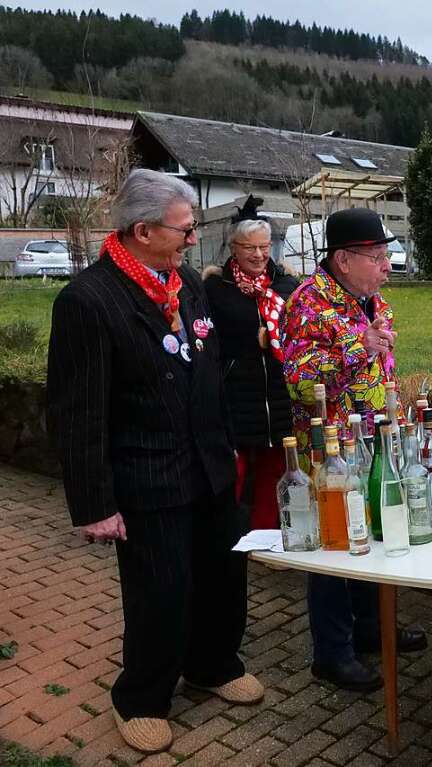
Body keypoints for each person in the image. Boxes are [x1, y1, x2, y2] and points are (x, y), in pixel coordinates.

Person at [46, 169, 262, 754]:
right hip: (148, 475)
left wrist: (231, 452)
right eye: (185, 229)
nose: (194, 240)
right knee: (161, 591)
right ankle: (140, 696)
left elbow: (210, 369)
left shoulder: (186, 282)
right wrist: (94, 505)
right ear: (143, 231)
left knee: (224, 576)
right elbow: (77, 412)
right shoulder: (88, 301)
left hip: (211, 467)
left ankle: (213, 665)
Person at [281, 207, 426, 692]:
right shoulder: (307, 303)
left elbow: (381, 371)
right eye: (378, 256)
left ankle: (370, 628)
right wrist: (356, 348)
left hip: (375, 443)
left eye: (388, 255)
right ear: (343, 259)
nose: (387, 265)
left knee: (373, 534)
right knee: (334, 546)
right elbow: (299, 382)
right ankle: (332, 652)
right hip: (330, 452)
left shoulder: (374, 300)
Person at [203, 196, 298, 529]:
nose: (259, 255)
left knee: (276, 471)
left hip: (278, 395)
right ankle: (225, 539)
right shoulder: (215, 287)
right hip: (237, 396)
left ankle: (266, 538)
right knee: (235, 472)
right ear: (233, 248)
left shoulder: (286, 283)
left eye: (264, 246)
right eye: (249, 248)